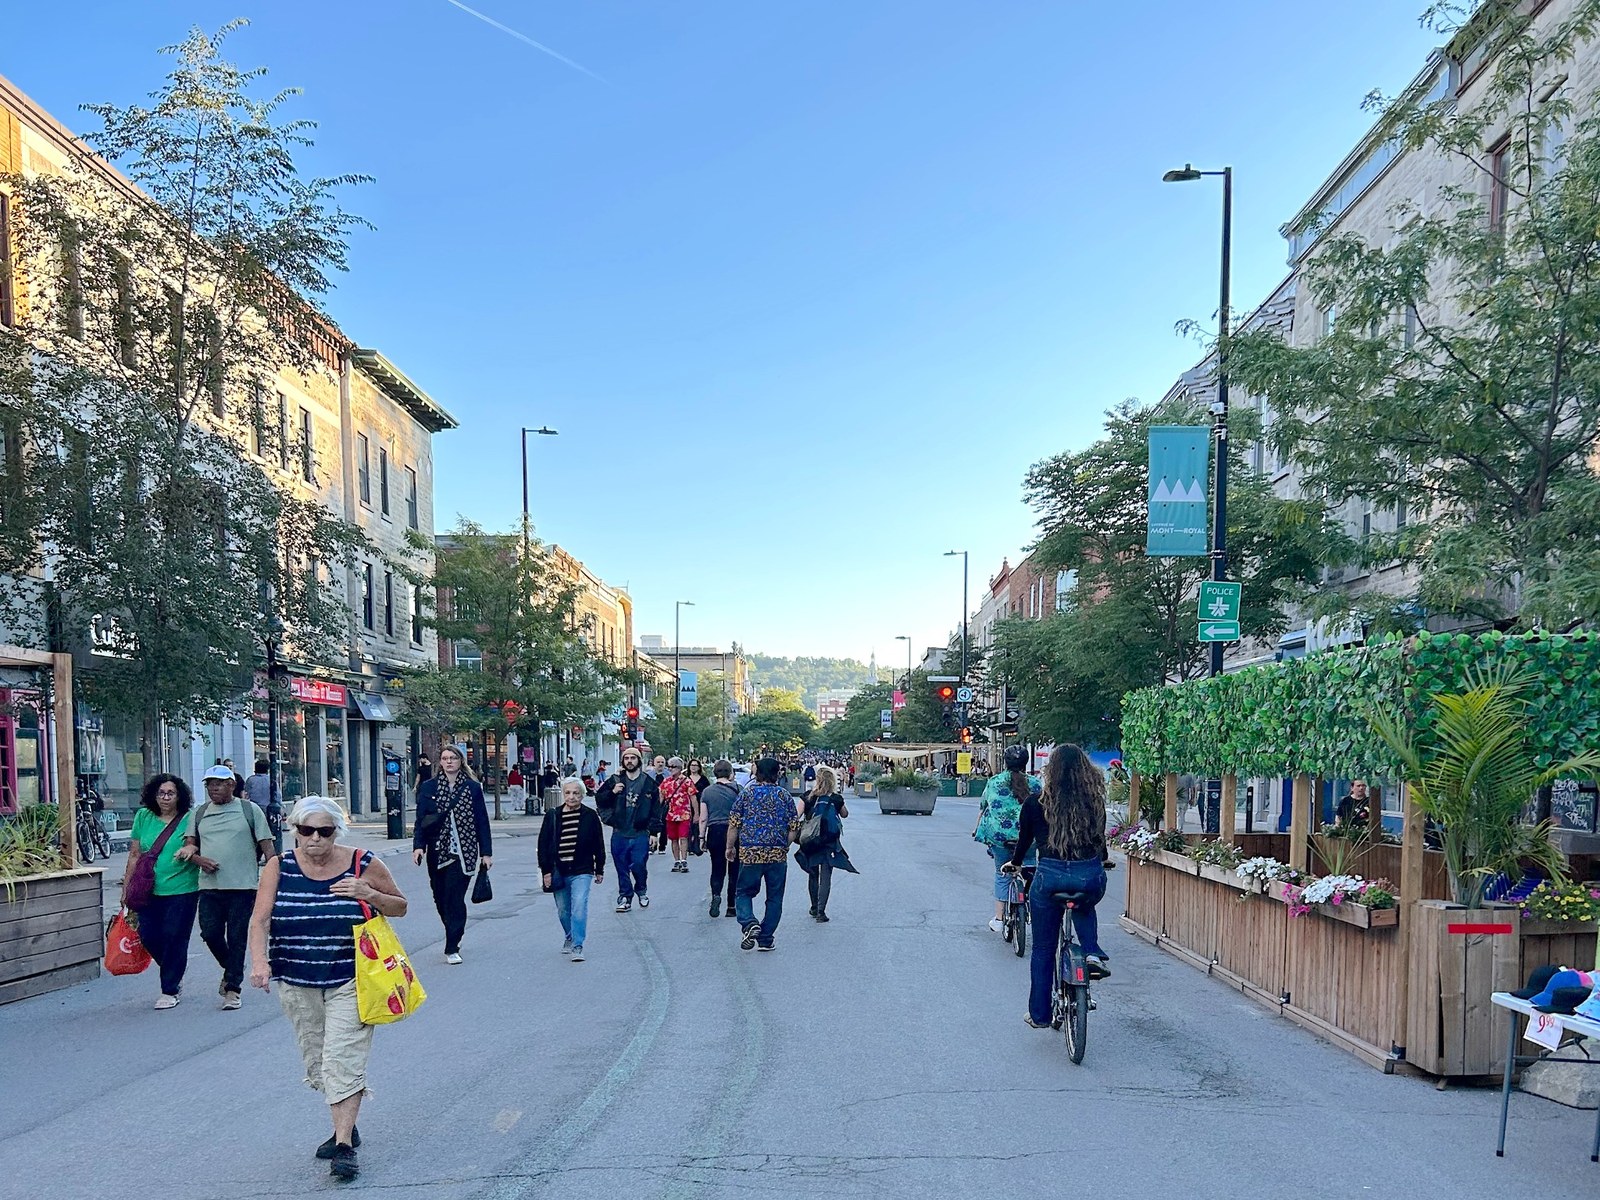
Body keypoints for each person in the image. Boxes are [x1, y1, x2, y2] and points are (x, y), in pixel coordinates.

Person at [248, 796, 408, 1182]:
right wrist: (259, 962)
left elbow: (400, 906)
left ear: (337, 831)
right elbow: (260, 919)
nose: (315, 839)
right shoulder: (278, 866)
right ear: (295, 832)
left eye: (324, 831)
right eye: (306, 831)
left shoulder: (363, 863)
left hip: (352, 979)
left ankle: (343, 1147)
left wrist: (369, 894)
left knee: (342, 1060)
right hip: (297, 979)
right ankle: (346, 1124)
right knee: (318, 1062)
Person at [1008, 744, 1110, 1030]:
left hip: (1049, 876)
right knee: (1085, 902)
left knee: (1042, 948)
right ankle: (1091, 952)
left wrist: (1015, 864)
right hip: (1087, 874)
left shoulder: (1034, 803)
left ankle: (1039, 1015)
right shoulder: (1094, 803)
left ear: (1049, 771)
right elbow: (1098, 840)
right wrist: (1101, 860)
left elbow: (1025, 842)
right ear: (1086, 772)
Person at [175, 764, 275, 1010]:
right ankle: (233, 966)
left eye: (218, 783)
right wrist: (199, 860)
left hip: (243, 886)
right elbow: (190, 846)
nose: (213, 788)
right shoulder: (198, 813)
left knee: (238, 937)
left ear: (232, 785)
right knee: (209, 933)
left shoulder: (249, 810)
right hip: (210, 886)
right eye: (209, 784)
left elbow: (268, 848)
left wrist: (275, 880)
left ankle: (233, 989)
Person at [121, 774, 201, 1009]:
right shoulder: (143, 817)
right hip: (148, 889)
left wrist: (191, 848)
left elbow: (196, 842)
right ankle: (173, 970)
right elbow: (135, 854)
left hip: (182, 888)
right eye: (161, 793)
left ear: (179, 796)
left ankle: (170, 989)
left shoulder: (189, 817)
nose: (165, 798)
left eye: (171, 793)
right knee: (149, 936)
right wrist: (126, 887)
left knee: (175, 936)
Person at [411, 744, 492, 964]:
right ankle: (453, 930)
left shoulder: (473, 788)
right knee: (440, 897)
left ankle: (452, 945)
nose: (449, 762)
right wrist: (418, 846)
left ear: (460, 761)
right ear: (441, 762)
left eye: (453, 758)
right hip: (437, 849)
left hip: (464, 851)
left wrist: (486, 852)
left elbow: (482, 821)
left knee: (455, 897)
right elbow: (421, 820)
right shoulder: (429, 788)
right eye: (445, 758)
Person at [730, 757, 801, 952]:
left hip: (751, 852)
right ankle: (766, 937)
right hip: (776, 854)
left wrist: (730, 847)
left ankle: (749, 922)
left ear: (757, 772)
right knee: (775, 897)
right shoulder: (784, 795)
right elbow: (794, 827)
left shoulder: (747, 794)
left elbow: (734, 823)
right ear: (777, 773)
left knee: (743, 892)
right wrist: (783, 846)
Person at [538, 777, 606, 962]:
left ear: (582, 795)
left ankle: (577, 944)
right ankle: (569, 935)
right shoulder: (552, 815)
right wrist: (546, 871)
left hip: (582, 870)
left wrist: (599, 868)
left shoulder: (590, 816)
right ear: (563, 794)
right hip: (558, 870)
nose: (572, 797)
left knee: (578, 906)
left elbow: (598, 844)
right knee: (563, 910)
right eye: (568, 793)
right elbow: (543, 845)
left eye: (576, 793)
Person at [976, 746, 1041, 933]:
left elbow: (983, 805)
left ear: (1005, 762)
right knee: (1030, 868)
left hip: (999, 838)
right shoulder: (1035, 784)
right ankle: (1033, 908)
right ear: (1026, 762)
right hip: (1029, 839)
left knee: (1001, 873)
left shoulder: (994, 782)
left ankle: (998, 918)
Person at [597, 746, 662, 912]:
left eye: (633, 758)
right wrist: (612, 792)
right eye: (626, 758)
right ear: (623, 761)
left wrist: (654, 832)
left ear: (639, 761)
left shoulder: (648, 783)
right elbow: (600, 800)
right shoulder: (615, 780)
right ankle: (625, 896)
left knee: (639, 864)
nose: (629, 761)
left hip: (640, 832)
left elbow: (656, 809)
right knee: (621, 866)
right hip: (620, 831)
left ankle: (641, 889)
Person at [795, 765, 855, 922]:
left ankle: (814, 907)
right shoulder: (835, 798)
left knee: (813, 874)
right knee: (826, 876)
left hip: (811, 840)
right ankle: (821, 912)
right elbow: (845, 814)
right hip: (829, 841)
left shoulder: (807, 797)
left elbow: (796, 816)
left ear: (817, 779)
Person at [698, 760, 742, 918]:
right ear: (730, 773)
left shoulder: (707, 791)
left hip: (715, 831)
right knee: (734, 869)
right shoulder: (738, 789)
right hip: (734, 830)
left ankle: (716, 894)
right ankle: (732, 906)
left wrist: (701, 837)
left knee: (717, 868)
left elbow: (703, 818)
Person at [660, 756, 698, 873]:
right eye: (669, 766)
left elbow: (693, 798)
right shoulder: (666, 781)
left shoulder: (686, 781)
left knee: (683, 837)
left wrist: (696, 813)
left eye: (673, 766)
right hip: (670, 814)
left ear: (680, 768)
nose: (670, 769)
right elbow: (661, 798)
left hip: (684, 814)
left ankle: (684, 860)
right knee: (673, 838)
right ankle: (676, 860)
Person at [244, 758, 281, 851]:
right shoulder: (271, 780)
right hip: (268, 808)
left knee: (255, 832)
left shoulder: (251, 780)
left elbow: (247, 792)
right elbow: (277, 794)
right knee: (269, 832)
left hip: (254, 808)